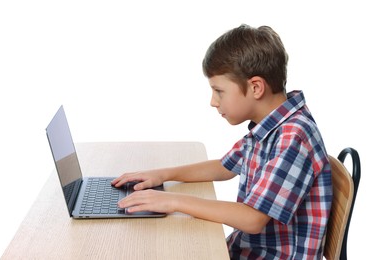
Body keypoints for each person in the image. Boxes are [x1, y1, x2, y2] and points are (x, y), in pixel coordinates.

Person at [111, 24, 332, 259]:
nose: (213, 102)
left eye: (219, 91)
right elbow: (224, 167)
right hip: (246, 249)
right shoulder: (271, 124)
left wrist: (173, 201)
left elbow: (253, 218)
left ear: (256, 87)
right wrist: (162, 175)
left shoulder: (292, 137)